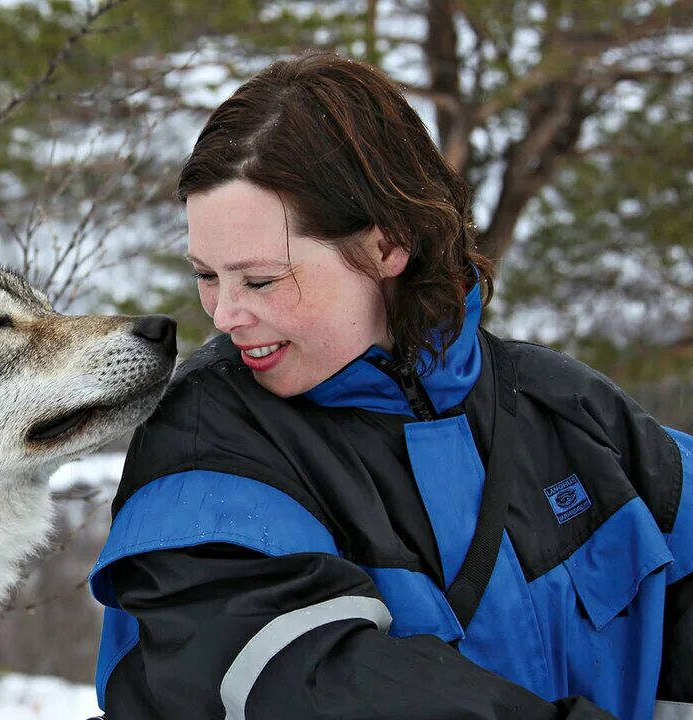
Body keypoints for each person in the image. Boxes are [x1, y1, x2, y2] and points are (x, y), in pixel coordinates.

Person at [87, 51, 693, 720]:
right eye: (207, 275)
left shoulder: (567, 409)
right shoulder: (206, 442)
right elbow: (310, 683)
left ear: (386, 246)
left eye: (258, 280)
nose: (224, 315)